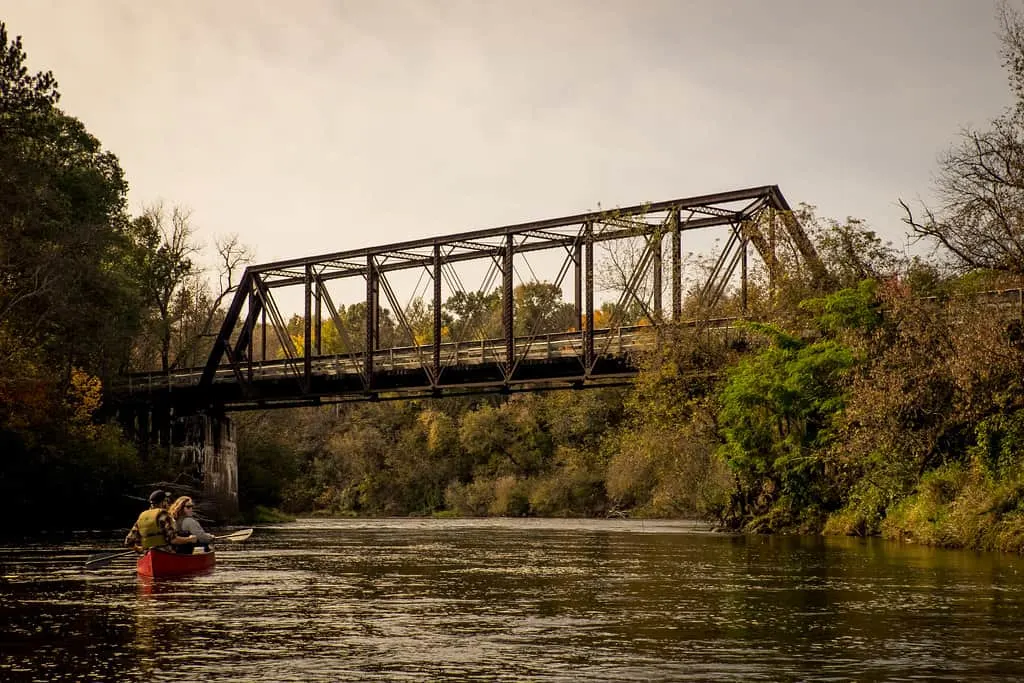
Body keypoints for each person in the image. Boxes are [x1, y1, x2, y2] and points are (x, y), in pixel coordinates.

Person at [125, 490, 197, 552]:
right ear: (163, 502)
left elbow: (128, 542)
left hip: (147, 552)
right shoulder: (164, 515)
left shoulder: (142, 517)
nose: (168, 503)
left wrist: (139, 549)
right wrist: (189, 539)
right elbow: (173, 540)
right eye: (166, 501)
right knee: (186, 536)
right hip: (167, 552)